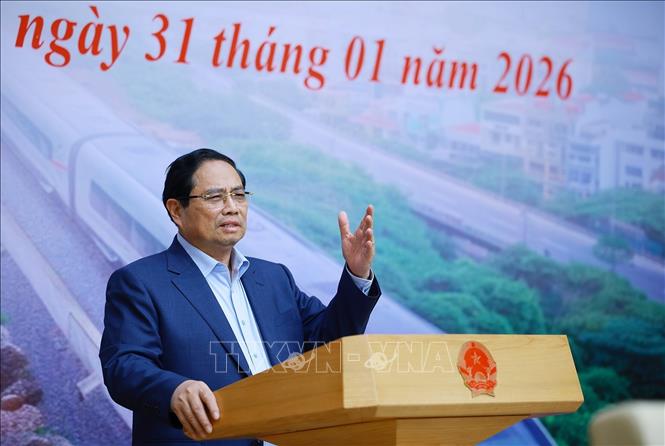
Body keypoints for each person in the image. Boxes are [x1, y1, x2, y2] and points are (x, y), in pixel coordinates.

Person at [99, 148, 381, 445]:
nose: (232, 207)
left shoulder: (274, 278)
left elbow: (330, 344)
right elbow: (124, 366)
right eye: (215, 197)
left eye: (238, 195)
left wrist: (356, 273)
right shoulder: (140, 282)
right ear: (176, 210)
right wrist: (173, 391)